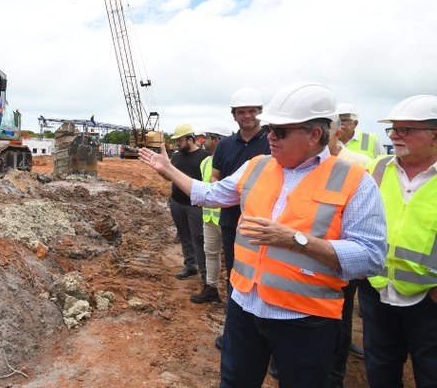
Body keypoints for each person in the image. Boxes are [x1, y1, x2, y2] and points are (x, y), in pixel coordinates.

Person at [139, 82, 387, 388]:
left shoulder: (355, 182)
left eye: (280, 131)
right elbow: (211, 193)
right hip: (245, 307)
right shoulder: (256, 167)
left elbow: (372, 257)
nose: (269, 136)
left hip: (305, 319)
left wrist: (297, 241)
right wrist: (169, 171)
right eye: (270, 128)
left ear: (315, 135)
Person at [358, 94, 437, 388]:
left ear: (434, 135)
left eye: (405, 129)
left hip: (428, 300)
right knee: (380, 369)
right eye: (393, 129)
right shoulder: (377, 168)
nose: (394, 135)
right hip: (376, 291)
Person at [211, 87, 271, 347]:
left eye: (252, 111)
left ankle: (269, 338)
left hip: (265, 223)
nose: (247, 116)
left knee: (267, 277)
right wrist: (230, 192)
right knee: (235, 276)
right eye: (241, 112)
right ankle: (235, 334)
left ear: (260, 112)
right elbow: (214, 177)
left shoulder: (272, 141)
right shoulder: (225, 145)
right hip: (232, 221)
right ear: (234, 115)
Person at [326, 116, 371, 388]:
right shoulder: (307, 164)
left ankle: (335, 375)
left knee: (340, 315)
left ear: (337, 133)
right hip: (313, 255)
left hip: (343, 255)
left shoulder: (359, 163)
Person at [190, 121, 231, 305]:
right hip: (209, 218)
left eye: (207, 137)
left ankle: (234, 297)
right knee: (211, 253)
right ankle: (211, 288)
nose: (204, 140)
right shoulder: (206, 161)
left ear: (217, 140)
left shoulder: (233, 160)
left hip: (228, 220)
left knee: (234, 259)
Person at [167, 124, 210, 285]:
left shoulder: (205, 157)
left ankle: (206, 276)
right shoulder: (177, 156)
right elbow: (170, 176)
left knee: (199, 239)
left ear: (190, 139)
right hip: (177, 203)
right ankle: (190, 266)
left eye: (180, 140)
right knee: (184, 236)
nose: (177, 143)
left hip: (196, 207)